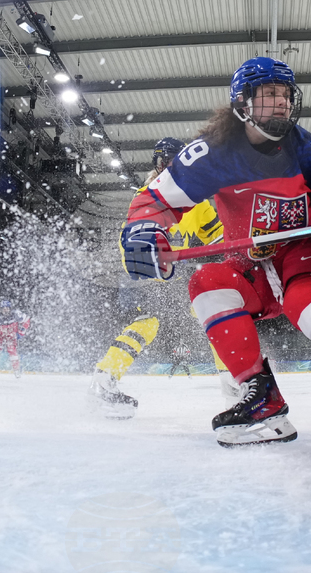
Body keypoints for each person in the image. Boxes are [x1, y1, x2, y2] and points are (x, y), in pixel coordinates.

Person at [120, 57, 311, 450]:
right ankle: (262, 400)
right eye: (270, 94)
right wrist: (145, 231)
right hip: (252, 266)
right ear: (243, 103)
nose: (281, 103)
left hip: (310, 254)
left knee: (304, 300)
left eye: (286, 95)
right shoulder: (210, 154)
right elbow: (155, 200)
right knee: (207, 282)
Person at [88, 138, 229, 420]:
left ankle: (236, 385)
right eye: (163, 161)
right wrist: (146, 257)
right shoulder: (147, 194)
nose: (167, 168)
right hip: (153, 274)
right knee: (150, 322)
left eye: (173, 161)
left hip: (183, 276)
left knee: (216, 316)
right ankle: (104, 379)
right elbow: (127, 238)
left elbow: (220, 238)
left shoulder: (197, 202)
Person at [0, 300, 30, 378]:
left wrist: (21, 332)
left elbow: (26, 320)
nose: (5, 310)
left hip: (11, 337)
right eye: (3, 308)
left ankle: (16, 371)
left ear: (10, 308)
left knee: (13, 352)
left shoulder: (16, 314)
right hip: (0, 337)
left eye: (7, 308)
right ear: (0, 309)